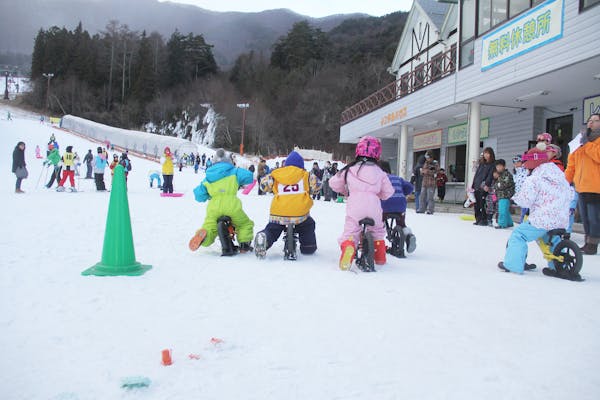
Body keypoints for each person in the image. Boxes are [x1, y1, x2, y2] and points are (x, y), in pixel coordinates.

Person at [498, 147, 575, 277]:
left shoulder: (534, 179)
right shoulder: (559, 175)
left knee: (519, 235)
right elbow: (570, 193)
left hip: (543, 218)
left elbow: (526, 200)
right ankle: (557, 266)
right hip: (561, 219)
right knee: (549, 238)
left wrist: (515, 198)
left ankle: (513, 265)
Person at [329, 136, 394, 270]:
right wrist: (379, 194)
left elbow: (333, 183)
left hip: (355, 206)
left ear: (358, 151)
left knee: (351, 232)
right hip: (374, 206)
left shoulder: (350, 169)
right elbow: (388, 192)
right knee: (377, 232)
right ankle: (380, 257)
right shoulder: (380, 172)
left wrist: (345, 191)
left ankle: (349, 248)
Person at [189, 149, 255, 253]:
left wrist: (207, 194)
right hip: (232, 206)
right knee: (244, 224)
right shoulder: (234, 171)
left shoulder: (208, 177)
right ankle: (244, 244)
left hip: (214, 208)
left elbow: (198, 195)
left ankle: (204, 236)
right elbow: (249, 177)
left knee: (210, 226)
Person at [253, 151, 317, 258]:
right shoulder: (306, 175)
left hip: (279, 212)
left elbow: (263, 186)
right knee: (308, 225)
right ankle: (308, 247)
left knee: (273, 229)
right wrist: (312, 190)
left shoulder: (276, 174)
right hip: (300, 213)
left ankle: (265, 238)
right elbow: (317, 185)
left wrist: (271, 188)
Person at [565, 113, 600, 255]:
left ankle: (593, 244)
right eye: (590, 120)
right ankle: (587, 242)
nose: (591, 123)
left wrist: (587, 144)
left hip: (595, 187)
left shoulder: (591, 143)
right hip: (580, 187)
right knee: (585, 218)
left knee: (594, 218)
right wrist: (565, 181)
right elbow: (571, 164)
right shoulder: (580, 141)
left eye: (596, 120)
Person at [380, 160, 416, 257]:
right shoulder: (397, 178)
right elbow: (410, 187)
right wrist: (402, 193)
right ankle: (408, 235)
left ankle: (376, 242)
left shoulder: (379, 179)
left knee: (378, 223)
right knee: (401, 223)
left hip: (385, 205)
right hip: (400, 204)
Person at [471, 147, 496, 226]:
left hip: (484, 186)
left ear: (491, 154)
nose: (486, 155)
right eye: (485, 153)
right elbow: (477, 174)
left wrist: (487, 184)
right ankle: (478, 219)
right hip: (477, 185)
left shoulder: (492, 164)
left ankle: (483, 219)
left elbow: (490, 176)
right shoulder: (481, 164)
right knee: (476, 204)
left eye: (488, 153)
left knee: (483, 203)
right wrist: (473, 185)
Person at [494, 159, 515, 229]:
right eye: (497, 166)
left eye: (500, 166)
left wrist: (497, 185)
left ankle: (502, 224)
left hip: (505, 195)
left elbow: (502, 185)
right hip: (501, 195)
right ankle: (509, 223)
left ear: (504, 166)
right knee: (505, 210)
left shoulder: (507, 174)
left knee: (502, 210)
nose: (498, 168)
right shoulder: (499, 175)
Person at [512, 154, 529, 223]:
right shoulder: (515, 173)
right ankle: (523, 224)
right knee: (523, 211)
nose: (516, 164)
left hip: (526, 194)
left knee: (526, 212)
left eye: (518, 162)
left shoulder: (526, 171)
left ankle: (524, 225)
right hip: (519, 195)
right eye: (514, 162)